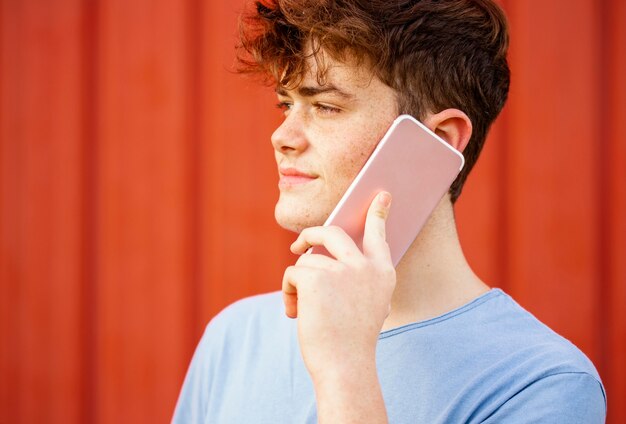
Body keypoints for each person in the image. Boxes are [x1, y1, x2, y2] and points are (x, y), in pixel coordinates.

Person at [173, 0, 606, 422]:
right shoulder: (236, 338)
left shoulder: (539, 384)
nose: (282, 136)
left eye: (325, 106)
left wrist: (346, 371)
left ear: (439, 138)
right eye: (286, 104)